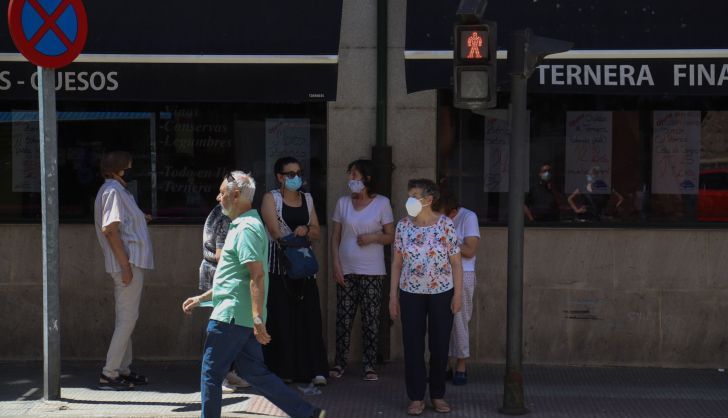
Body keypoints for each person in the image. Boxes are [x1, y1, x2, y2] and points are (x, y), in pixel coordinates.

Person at [182, 172, 326, 418]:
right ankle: (307, 413)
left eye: (222, 192)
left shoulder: (246, 228)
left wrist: (258, 318)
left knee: (211, 374)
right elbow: (234, 279)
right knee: (255, 374)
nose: (218, 198)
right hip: (240, 316)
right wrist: (202, 298)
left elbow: (256, 275)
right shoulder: (244, 225)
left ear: (235, 195)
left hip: (231, 318)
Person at [389, 179, 463, 415]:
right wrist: (393, 296)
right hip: (410, 293)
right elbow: (397, 263)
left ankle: (438, 395)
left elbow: (456, 263)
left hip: (442, 292)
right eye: (409, 195)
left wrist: (458, 294)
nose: (409, 200)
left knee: (440, 345)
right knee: (413, 345)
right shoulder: (403, 226)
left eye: (415, 196)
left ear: (428, 200)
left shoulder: (445, 225)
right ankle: (416, 397)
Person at [260, 157, 328, 385]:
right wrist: (297, 236)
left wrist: (307, 229)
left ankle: (315, 369)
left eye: (298, 173)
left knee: (309, 317)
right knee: (281, 318)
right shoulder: (271, 198)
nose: (295, 177)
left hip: (304, 268)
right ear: (279, 177)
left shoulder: (307, 199)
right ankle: (284, 370)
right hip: (279, 268)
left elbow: (317, 231)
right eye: (290, 174)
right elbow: (274, 230)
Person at [329, 159, 394, 381]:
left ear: (367, 178)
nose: (351, 179)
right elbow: (335, 236)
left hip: (373, 270)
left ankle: (369, 365)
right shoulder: (342, 203)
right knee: (343, 319)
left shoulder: (382, 203)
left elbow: (390, 235)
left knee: (371, 318)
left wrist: (373, 238)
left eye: (355, 175)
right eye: (350, 175)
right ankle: (340, 363)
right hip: (346, 268)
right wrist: (336, 264)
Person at [94, 151, 153, 391]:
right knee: (127, 319)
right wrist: (125, 266)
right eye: (127, 168)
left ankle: (122, 369)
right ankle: (109, 373)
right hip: (127, 264)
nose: (130, 172)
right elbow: (110, 230)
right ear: (117, 170)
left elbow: (120, 225)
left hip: (129, 263)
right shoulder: (113, 192)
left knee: (127, 319)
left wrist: (140, 219)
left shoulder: (116, 191)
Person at [199, 204, 250, 393]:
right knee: (221, 330)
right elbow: (221, 255)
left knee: (224, 328)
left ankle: (228, 372)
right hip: (218, 276)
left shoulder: (219, 212)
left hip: (214, 273)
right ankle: (219, 377)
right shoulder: (227, 217)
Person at [437, 188, 480, 386]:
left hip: (464, 272)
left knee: (460, 320)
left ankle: (461, 364)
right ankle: (443, 364)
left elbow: (470, 250)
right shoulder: (437, 217)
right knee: (440, 321)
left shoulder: (469, 217)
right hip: (439, 274)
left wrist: (448, 242)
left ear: (453, 212)